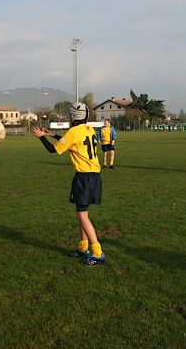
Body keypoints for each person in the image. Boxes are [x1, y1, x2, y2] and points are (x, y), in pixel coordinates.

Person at [32, 102, 106, 266]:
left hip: (84, 177)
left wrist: (42, 137)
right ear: (86, 116)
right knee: (82, 213)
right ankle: (83, 247)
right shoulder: (89, 130)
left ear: (72, 116)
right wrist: (53, 135)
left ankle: (97, 253)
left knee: (82, 215)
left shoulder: (73, 132)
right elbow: (72, 143)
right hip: (94, 175)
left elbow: (53, 150)